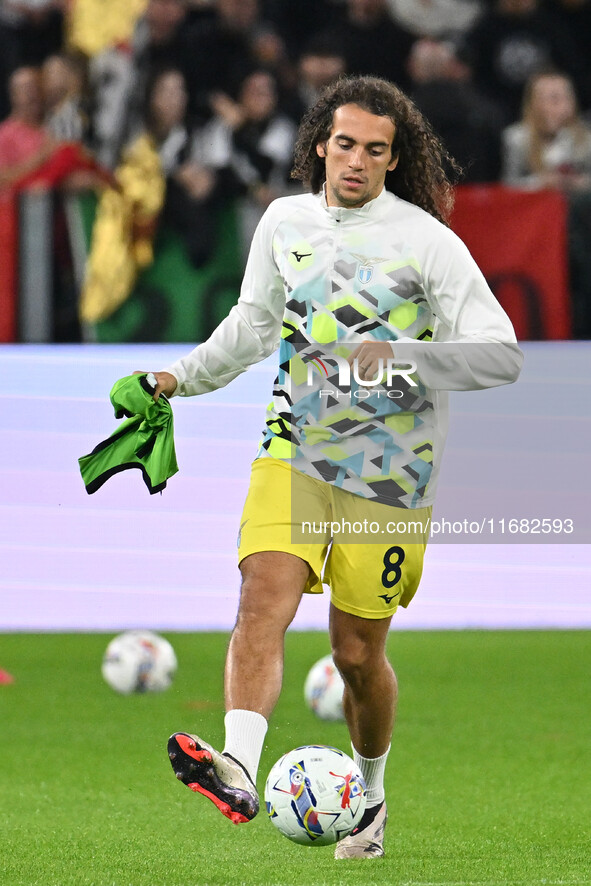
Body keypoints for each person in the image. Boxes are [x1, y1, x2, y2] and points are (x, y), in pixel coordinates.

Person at [145, 75, 523, 859]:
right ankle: (238, 768)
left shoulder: (425, 240)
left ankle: (372, 799)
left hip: (390, 471)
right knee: (260, 597)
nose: (354, 160)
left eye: (373, 150)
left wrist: (404, 357)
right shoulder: (285, 221)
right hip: (295, 445)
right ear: (319, 141)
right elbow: (250, 329)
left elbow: (499, 355)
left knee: (356, 653)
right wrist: (176, 378)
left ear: (393, 159)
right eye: (343, 143)